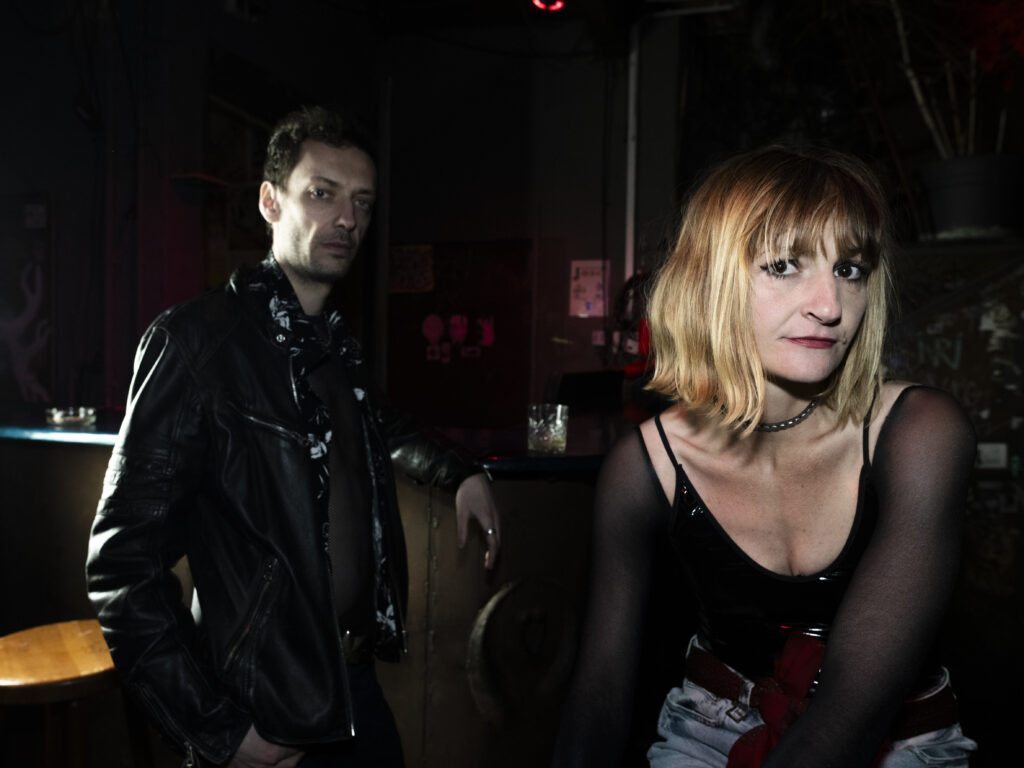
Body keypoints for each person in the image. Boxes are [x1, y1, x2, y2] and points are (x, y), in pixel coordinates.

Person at [86, 105, 501, 768]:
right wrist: (220, 731)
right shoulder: (196, 344)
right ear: (269, 201)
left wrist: (462, 469)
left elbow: (381, 422)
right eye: (322, 193)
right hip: (262, 705)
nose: (347, 218)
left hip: (354, 690)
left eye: (362, 202)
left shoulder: (334, 346)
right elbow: (122, 568)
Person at [551, 145, 978, 768]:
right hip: (707, 731)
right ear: (710, 280)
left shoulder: (919, 433)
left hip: (896, 743)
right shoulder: (647, 467)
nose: (829, 305)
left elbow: (851, 716)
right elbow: (597, 699)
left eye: (850, 269)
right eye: (783, 266)